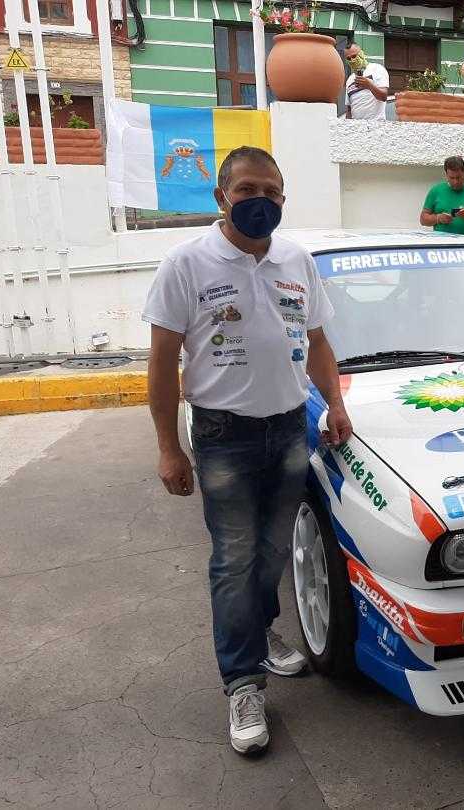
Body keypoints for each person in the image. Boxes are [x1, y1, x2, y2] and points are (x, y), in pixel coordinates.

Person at [142, 145, 353, 755]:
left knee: (272, 552)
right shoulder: (186, 264)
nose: (260, 201)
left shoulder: (296, 260)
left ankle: (258, 635)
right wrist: (169, 447)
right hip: (223, 436)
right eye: (247, 190)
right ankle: (242, 682)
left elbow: (317, 341)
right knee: (235, 559)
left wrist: (334, 404)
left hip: (288, 429)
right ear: (221, 197)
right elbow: (161, 361)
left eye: (271, 192)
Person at [419, 155, 464, 236]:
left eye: (458, 177)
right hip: (441, 241)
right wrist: (438, 218)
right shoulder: (435, 191)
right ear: (446, 174)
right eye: (452, 178)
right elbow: (423, 219)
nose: (455, 182)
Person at [344, 43, 389, 120]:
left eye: (354, 56)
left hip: (375, 123)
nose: (352, 60)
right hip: (356, 125)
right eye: (348, 58)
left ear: (361, 54)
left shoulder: (377, 69)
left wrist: (369, 85)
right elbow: (349, 108)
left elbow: (383, 97)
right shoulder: (350, 79)